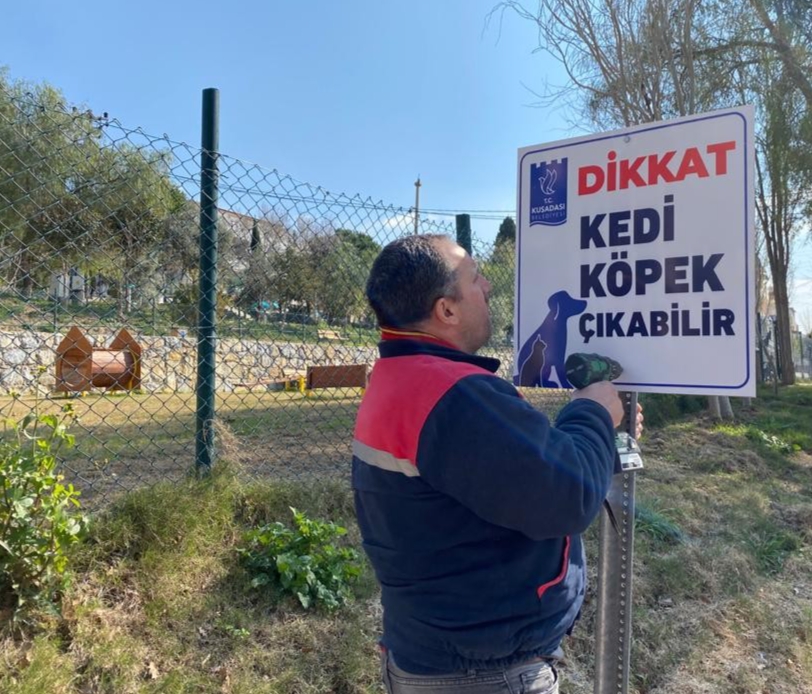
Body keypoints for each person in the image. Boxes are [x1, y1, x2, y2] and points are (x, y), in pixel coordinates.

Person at [353, 234, 643, 694]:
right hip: (481, 674)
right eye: (474, 278)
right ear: (446, 310)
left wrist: (596, 441)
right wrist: (594, 413)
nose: (487, 285)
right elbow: (568, 495)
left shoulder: (399, 377)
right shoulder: (455, 396)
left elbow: (511, 472)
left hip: (431, 653)